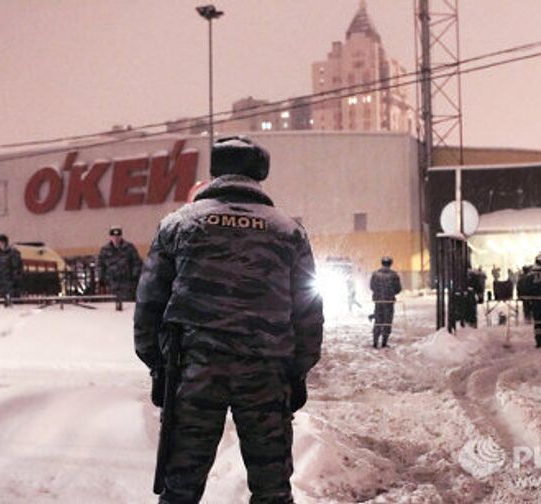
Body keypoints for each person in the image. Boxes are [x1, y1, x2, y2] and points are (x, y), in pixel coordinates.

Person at [134, 136, 324, 503]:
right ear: (259, 174)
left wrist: (158, 367)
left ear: (217, 172)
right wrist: (298, 371)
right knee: (272, 488)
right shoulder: (287, 231)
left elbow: (148, 304)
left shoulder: (178, 225)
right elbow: (308, 312)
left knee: (181, 487)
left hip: (194, 371)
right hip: (266, 375)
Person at [97, 226, 142, 301]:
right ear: (110, 237)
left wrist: (134, 276)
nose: (116, 238)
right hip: (111, 284)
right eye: (114, 237)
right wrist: (101, 278)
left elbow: (137, 263)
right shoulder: (105, 250)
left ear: (121, 236)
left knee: (127, 304)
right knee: (111, 305)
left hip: (126, 284)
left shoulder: (129, 248)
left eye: (118, 236)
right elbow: (100, 265)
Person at [369, 256, 402, 348]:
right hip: (389, 301)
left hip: (378, 301)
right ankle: (384, 342)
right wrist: (390, 292)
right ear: (390, 264)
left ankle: (375, 341)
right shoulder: (394, 275)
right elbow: (398, 289)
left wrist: (378, 293)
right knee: (387, 321)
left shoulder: (375, 274)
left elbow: (372, 286)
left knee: (378, 320)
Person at [0, 233, 22, 306]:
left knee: (14, 301)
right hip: (2, 280)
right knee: (6, 302)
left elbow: (17, 266)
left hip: (10, 280)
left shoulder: (13, 252)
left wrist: (15, 278)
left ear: (2, 242)